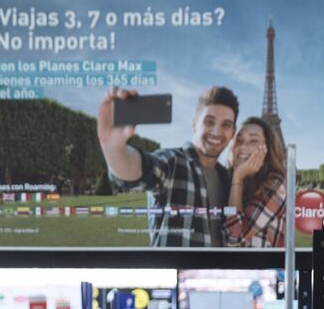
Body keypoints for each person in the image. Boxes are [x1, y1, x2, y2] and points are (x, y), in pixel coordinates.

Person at [98, 86, 238, 247]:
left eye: (226, 125)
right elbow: (139, 170)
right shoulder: (172, 162)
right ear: (194, 124)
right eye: (209, 121)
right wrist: (113, 147)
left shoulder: (228, 178)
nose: (216, 131)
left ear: (233, 133)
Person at [224, 116, 288, 247]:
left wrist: (238, 178)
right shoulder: (225, 179)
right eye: (239, 140)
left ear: (267, 148)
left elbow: (235, 235)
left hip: (264, 267)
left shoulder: (277, 185)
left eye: (253, 141)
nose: (243, 146)